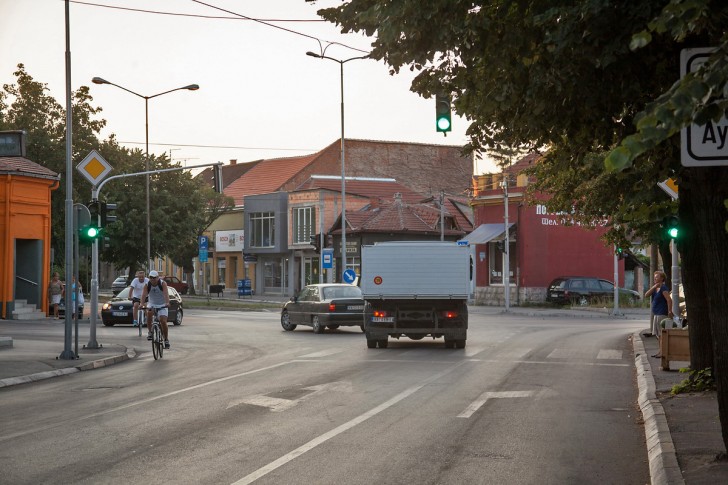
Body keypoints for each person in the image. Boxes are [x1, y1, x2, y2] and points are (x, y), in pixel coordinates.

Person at [645, 270, 673, 358]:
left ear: (662, 278)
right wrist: (654, 287)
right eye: (654, 277)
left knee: (661, 334)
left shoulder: (663, 288)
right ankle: (660, 351)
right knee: (658, 335)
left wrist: (669, 311)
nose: (655, 278)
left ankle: (662, 352)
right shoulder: (655, 288)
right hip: (656, 313)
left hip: (662, 313)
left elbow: (669, 300)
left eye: (657, 277)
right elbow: (646, 295)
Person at [141, 270, 171, 349]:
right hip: (152, 303)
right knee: (149, 314)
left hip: (162, 304)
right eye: (151, 277)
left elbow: (165, 294)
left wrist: (167, 303)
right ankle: (150, 332)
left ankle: (166, 339)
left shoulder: (162, 284)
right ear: (149, 278)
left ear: (158, 277)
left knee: (163, 321)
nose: (153, 279)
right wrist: (141, 304)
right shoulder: (147, 285)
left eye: (154, 278)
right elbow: (144, 295)